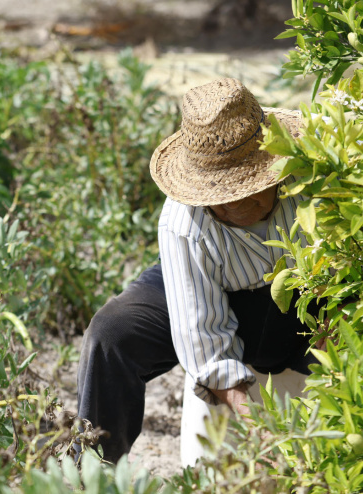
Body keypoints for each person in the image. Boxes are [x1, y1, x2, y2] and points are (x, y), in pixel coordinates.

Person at [76, 77, 320, 463]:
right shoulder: (184, 223)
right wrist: (259, 429)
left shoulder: (314, 179)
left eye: (240, 191)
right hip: (210, 279)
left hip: (301, 291)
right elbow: (204, 340)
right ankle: (93, 473)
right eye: (215, 197)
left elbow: (351, 281)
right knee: (113, 333)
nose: (226, 207)